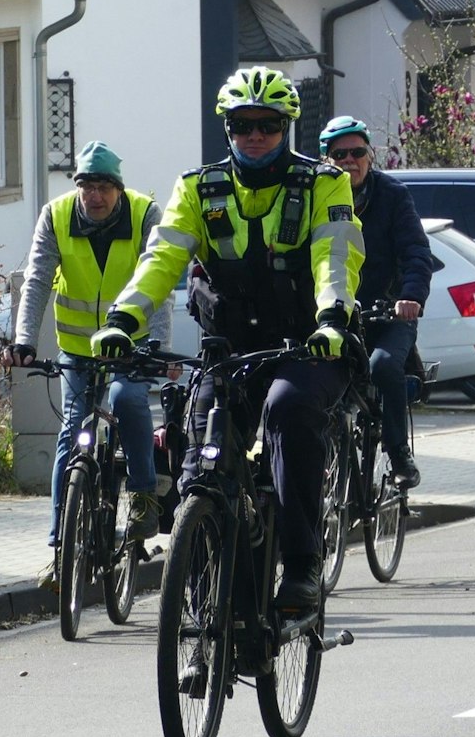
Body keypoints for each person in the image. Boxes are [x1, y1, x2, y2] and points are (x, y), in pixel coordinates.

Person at [94, 67, 361, 613]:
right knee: (201, 464)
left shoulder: (322, 182)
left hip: (305, 345)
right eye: (243, 125)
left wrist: (332, 317)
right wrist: (124, 318)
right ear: (227, 128)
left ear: (287, 126)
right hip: (229, 349)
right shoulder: (198, 188)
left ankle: (303, 567)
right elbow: (163, 257)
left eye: (268, 124)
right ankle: (202, 608)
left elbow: (336, 254)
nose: (255, 135)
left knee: (289, 412)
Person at [7, 141, 172, 588]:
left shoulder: (144, 214)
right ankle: (61, 549)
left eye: (103, 187)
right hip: (77, 349)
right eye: (86, 187)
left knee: (128, 401)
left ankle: (142, 502)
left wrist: (156, 344)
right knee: (72, 432)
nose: (94, 196)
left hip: (130, 347)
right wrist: (23, 339)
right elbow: (37, 279)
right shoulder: (56, 216)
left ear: (118, 189)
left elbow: (159, 282)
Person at [319, 115, 432, 488]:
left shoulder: (393, 195)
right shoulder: (315, 196)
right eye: (339, 154)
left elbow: (416, 251)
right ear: (326, 159)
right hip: (335, 313)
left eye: (357, 152)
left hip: (388, 312)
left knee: (383, 367)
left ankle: (400, 455)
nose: (349, 160)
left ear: (369, 155)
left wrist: (410, 296)